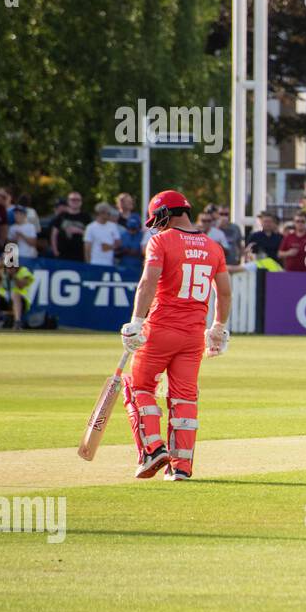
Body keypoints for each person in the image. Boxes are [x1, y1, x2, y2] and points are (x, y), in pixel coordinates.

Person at [120, 190, 231, 481]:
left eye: (158, 218)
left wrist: (136, 321)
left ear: (168, 213)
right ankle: (181, 467)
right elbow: (225, 292)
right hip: (194, 335)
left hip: (159, 330)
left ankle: (153, 449)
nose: (157, 224)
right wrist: (218, 328)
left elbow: (148, 282)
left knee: (138, 388)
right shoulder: (213, 246)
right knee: (184, 399)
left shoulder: (161, 241)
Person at [0, 257, 34, 329]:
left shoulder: (23, 271)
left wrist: (13, 276)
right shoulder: (1, 272)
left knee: (15, 294)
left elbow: (21, 285)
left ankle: (17, 322)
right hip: (5, 300)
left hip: (20, 302)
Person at [50, 192, 90, 261]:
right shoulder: (61, 216)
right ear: (68, 201)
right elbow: (54, 235)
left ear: (81, 202)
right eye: (73, 199)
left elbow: (91, 235)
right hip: (62, 255)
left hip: (80, 255)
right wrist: (55, 250)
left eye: (78, 200)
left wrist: (80, 231)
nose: (75, 202)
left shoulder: (86, 217)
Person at [83, 202, 120, 266]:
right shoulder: (90, 227)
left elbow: (118, 242)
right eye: (108, 213)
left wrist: (110, 247)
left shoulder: (113, 226)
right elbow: (87, 247)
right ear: (101, 213)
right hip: (94, 262)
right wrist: (88, 263)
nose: (109, 215)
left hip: (109, 263)